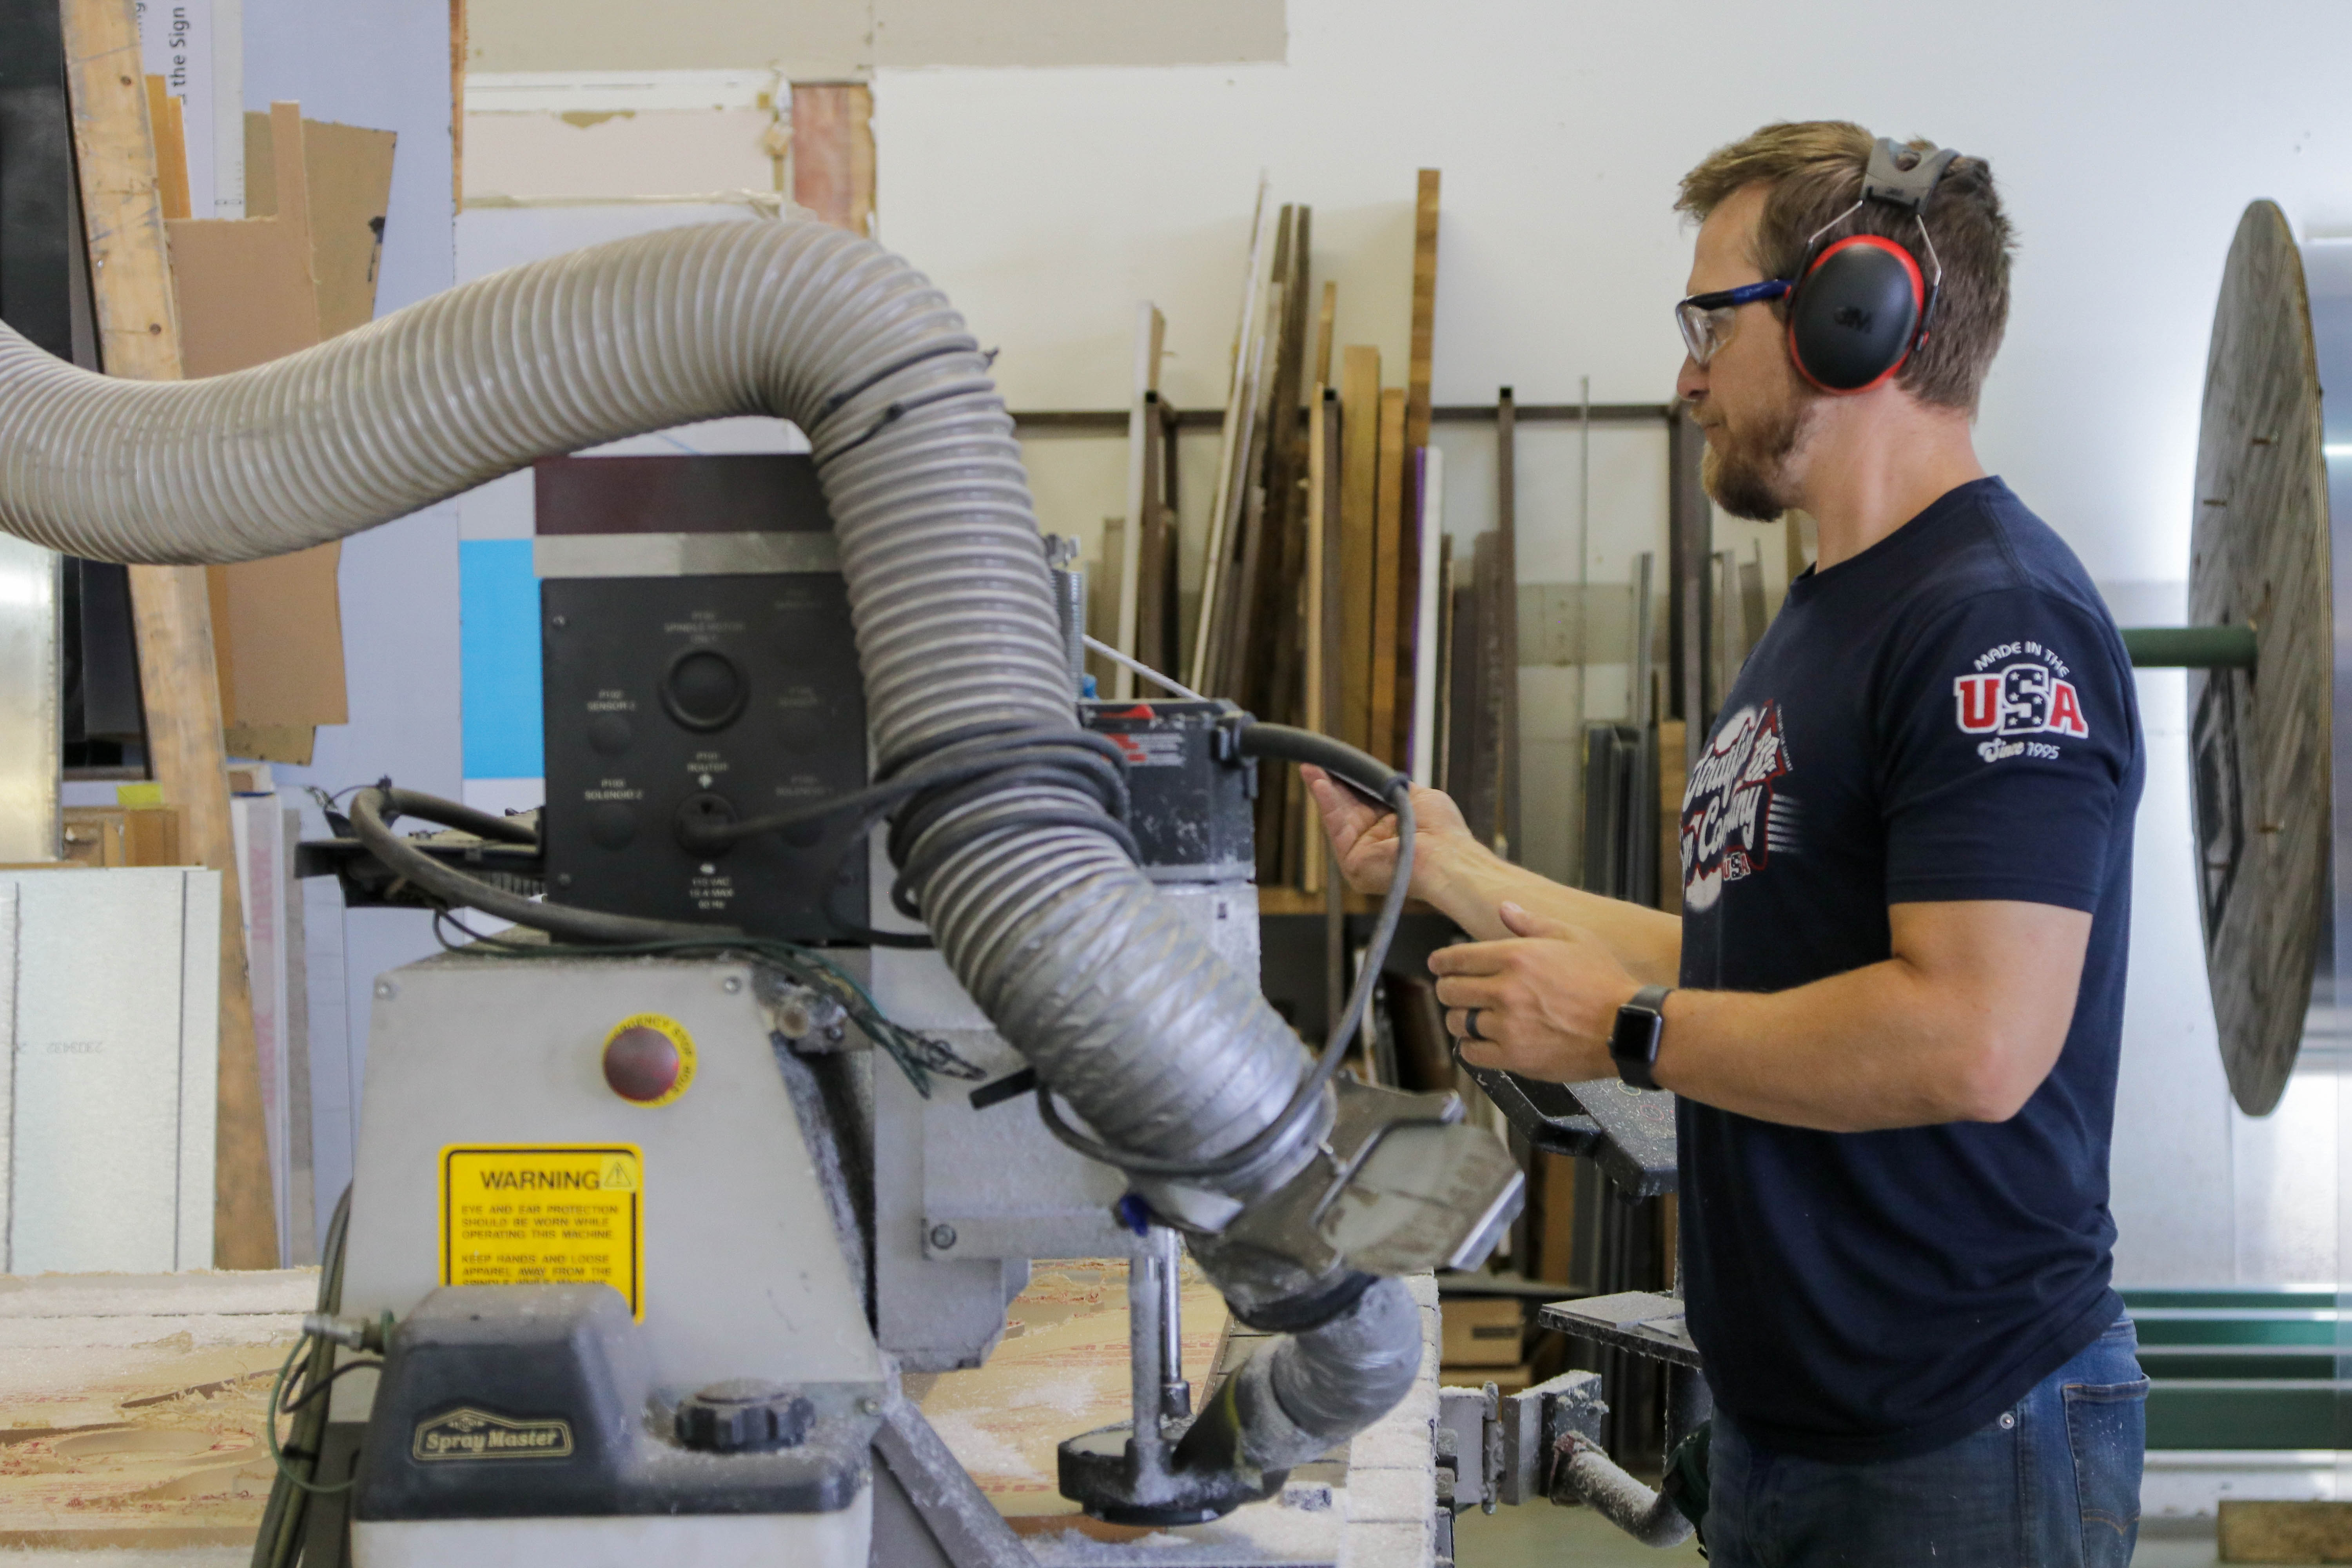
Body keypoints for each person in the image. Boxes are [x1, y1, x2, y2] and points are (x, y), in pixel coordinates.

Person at [1305, 121, 2147, 1567]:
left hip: (1954, 1433)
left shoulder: (1992, 621)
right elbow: (1749, 952)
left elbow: (1975, 1038)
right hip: (1802, 1421)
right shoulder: (1833, 611)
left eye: (1713, 318)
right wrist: (1451, 868)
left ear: (1856, 316)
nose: (1689, 374)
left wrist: (1630, 1036)